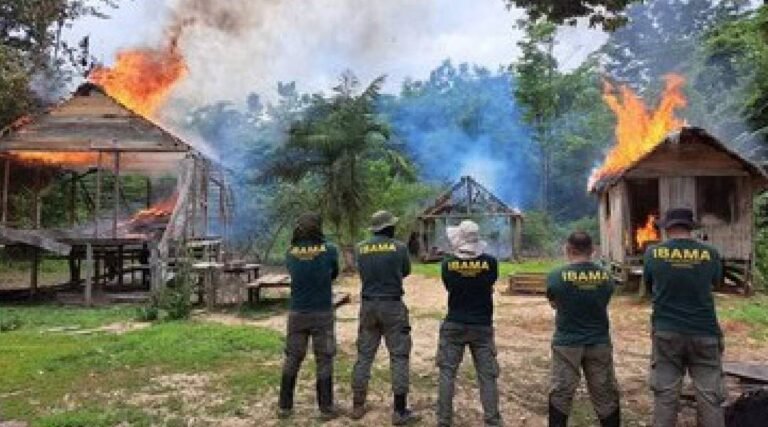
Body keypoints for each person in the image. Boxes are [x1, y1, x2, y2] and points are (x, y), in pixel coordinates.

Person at [643, 208, 725, 427]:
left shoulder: (653, 253)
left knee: (665, 394)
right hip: (705, 331)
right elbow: (717, 283)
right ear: (691, 227)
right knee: (710, 396)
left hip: (666, 331)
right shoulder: (710, 253)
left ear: (668, 228)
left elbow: (649, 287)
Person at [546, 231, 620, 427]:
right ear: (592, 250)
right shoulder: (606, 276)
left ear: (568, 249)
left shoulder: (556, 276)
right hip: (599, 341)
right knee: (605, 392)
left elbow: (554, 303)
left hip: (567, 342)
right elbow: (604, 300)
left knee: (561, 392)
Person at [350, 210, 416, 425]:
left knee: (364, 356)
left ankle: (358, 405)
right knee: (399, 356)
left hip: (368, 305)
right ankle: (399, 410)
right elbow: (405, 271)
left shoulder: (360, 248)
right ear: (389, 227)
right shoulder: (400, 247)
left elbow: (361, 271)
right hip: (393, 305)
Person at [436, 220, 502, 427]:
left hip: (454, 322)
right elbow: (489, 284)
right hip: (482, 325)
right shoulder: (491, 263)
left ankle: (443, 420)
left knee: (447, 373)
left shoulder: (447, 264)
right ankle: (493, 420)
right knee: (487, 375)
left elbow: (450, 287)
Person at [278, 212, 340, 420]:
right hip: (322, 312)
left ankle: (285, 407)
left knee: (293, 357)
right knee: (324, 359)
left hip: (297, 312)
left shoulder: (290, 252)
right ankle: (326, 408)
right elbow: (334, 273)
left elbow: (293, 272)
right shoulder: (330, 250)